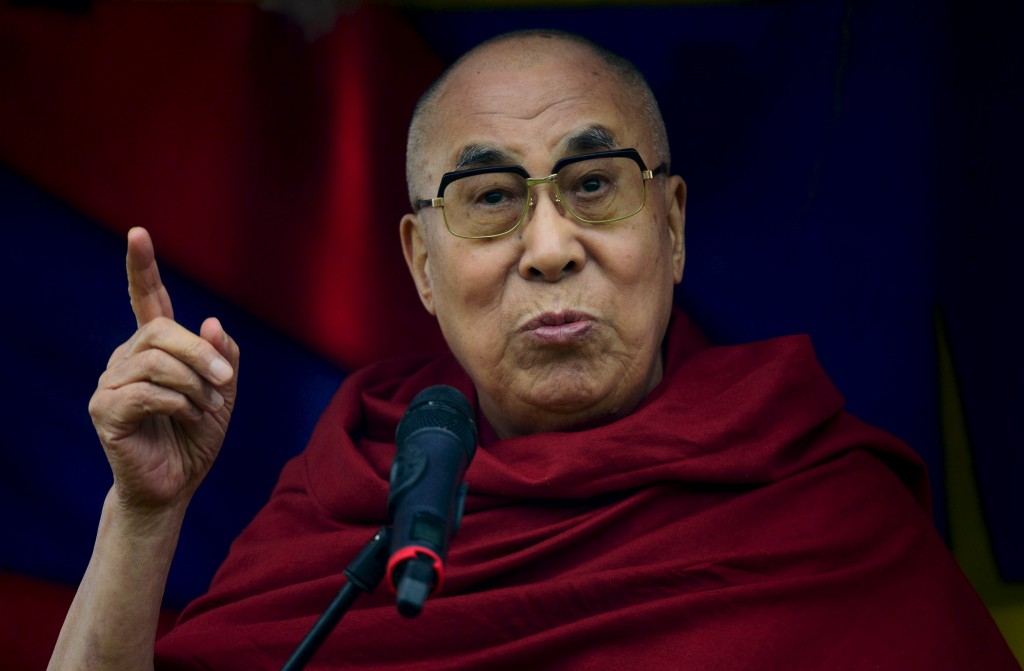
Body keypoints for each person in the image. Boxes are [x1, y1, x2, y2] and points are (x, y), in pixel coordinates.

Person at [49, 29, 1019, 670]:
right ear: (421, 265)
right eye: (490, 198)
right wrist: (141, 518)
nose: (550, 249)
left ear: (671, 227)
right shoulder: (342, 507)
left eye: (594, 184)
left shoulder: (815, 507)